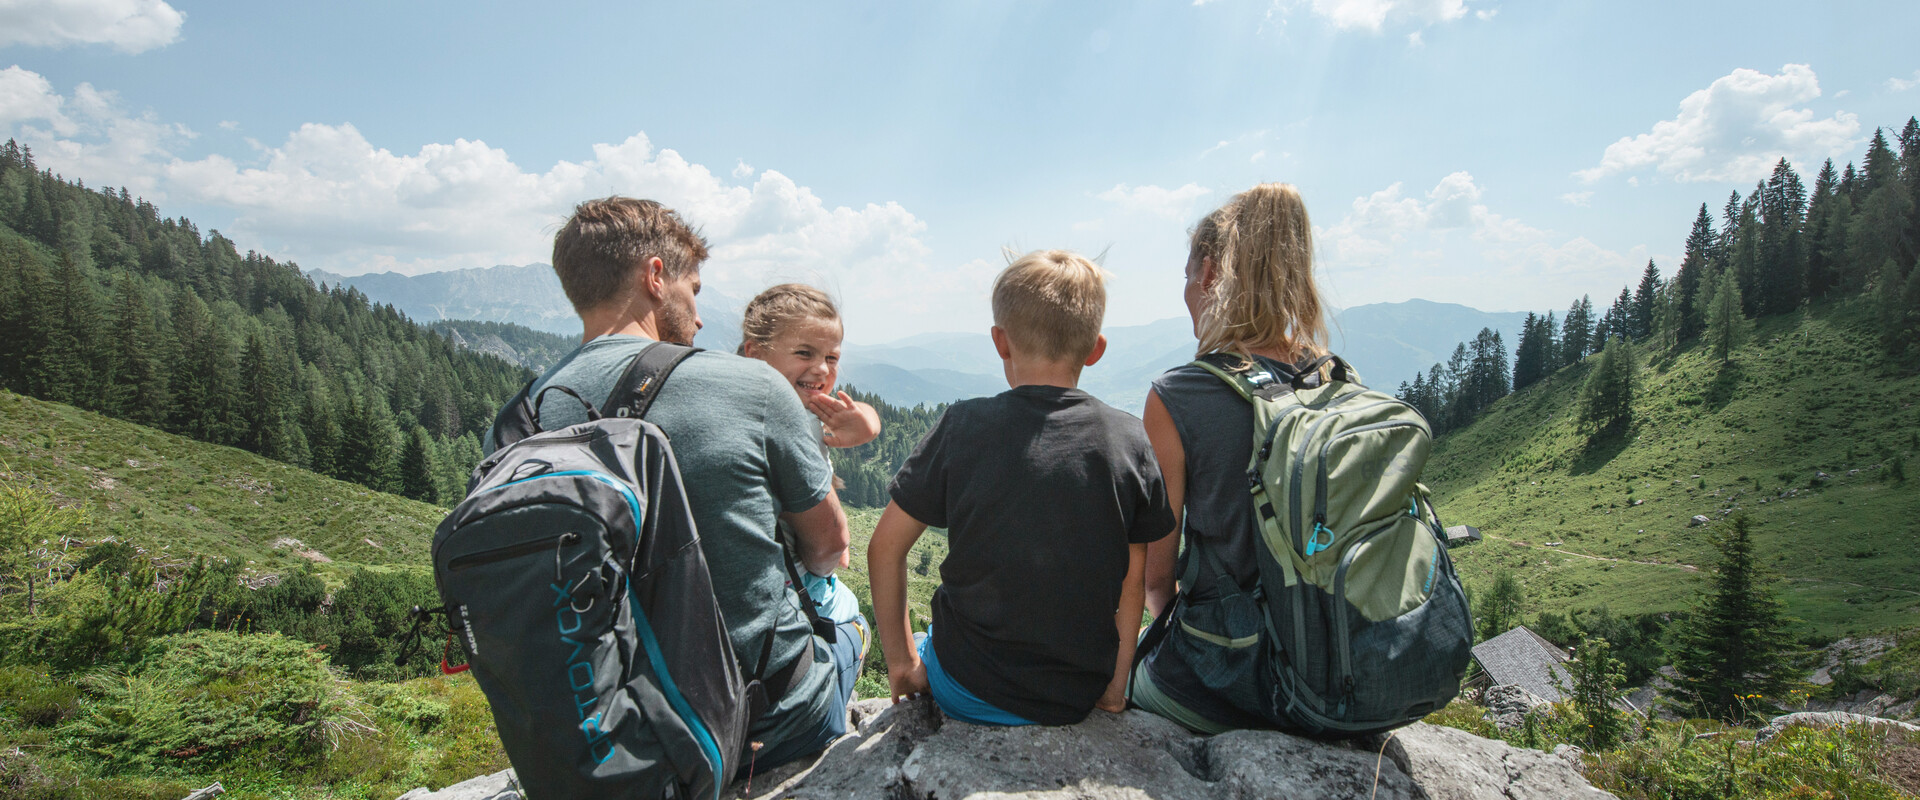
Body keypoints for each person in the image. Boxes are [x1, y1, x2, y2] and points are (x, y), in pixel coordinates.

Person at [483, 197, 864, 768]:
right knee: (848, 616)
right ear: (656, 277)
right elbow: (830, 549)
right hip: (761, 722)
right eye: (696, 288)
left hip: (600, 738)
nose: (701, 316)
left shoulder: (515, 425)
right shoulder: (754, 387)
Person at [867, 249, 1175, 726]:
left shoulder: (963, 424)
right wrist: (1113, 692)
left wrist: (903, 665)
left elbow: (884, 547)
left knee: (937, 632)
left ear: (1000, 342)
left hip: (965, 688)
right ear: (1096, 348)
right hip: (1077, 693)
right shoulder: (1130, 439)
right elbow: (1133, 582)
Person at [1128, 182, 1333, 734]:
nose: (1187, 294)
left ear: (1210, 273)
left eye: (1187, 277)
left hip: (1235, 677)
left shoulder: (1179, 395)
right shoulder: (1332, 376)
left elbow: (1155, 579)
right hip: (1337, 670)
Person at [737, 283, 877, 651]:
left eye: (831, 358)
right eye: (804, 353)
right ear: (754, 353)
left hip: (793, 562)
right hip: (793, 580)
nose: (821, 369)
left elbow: (864, 414)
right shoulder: (776, 419)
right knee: (856, 619)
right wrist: (828, 553)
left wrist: (865, 425)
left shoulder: (802, 403)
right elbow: (825, 545)